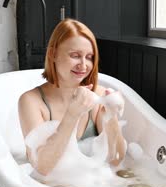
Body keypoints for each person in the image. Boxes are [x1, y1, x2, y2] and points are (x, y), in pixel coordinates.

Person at [18, 18, 126, 176]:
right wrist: (72, 114)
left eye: (89, 57)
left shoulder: (98, 96)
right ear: (53, 54)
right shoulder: (31, 101)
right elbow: (42, 167)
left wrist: (111, 116)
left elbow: (116, 160)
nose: (83, 65)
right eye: (75, 55)